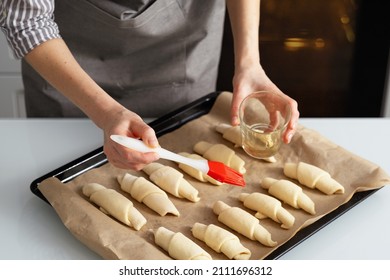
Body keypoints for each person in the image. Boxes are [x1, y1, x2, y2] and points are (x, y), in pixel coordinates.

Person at [1, 0, 299, 171]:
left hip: (183, 58)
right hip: (68, 72)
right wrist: (105, 112)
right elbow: (26, 22)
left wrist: (249, 62)